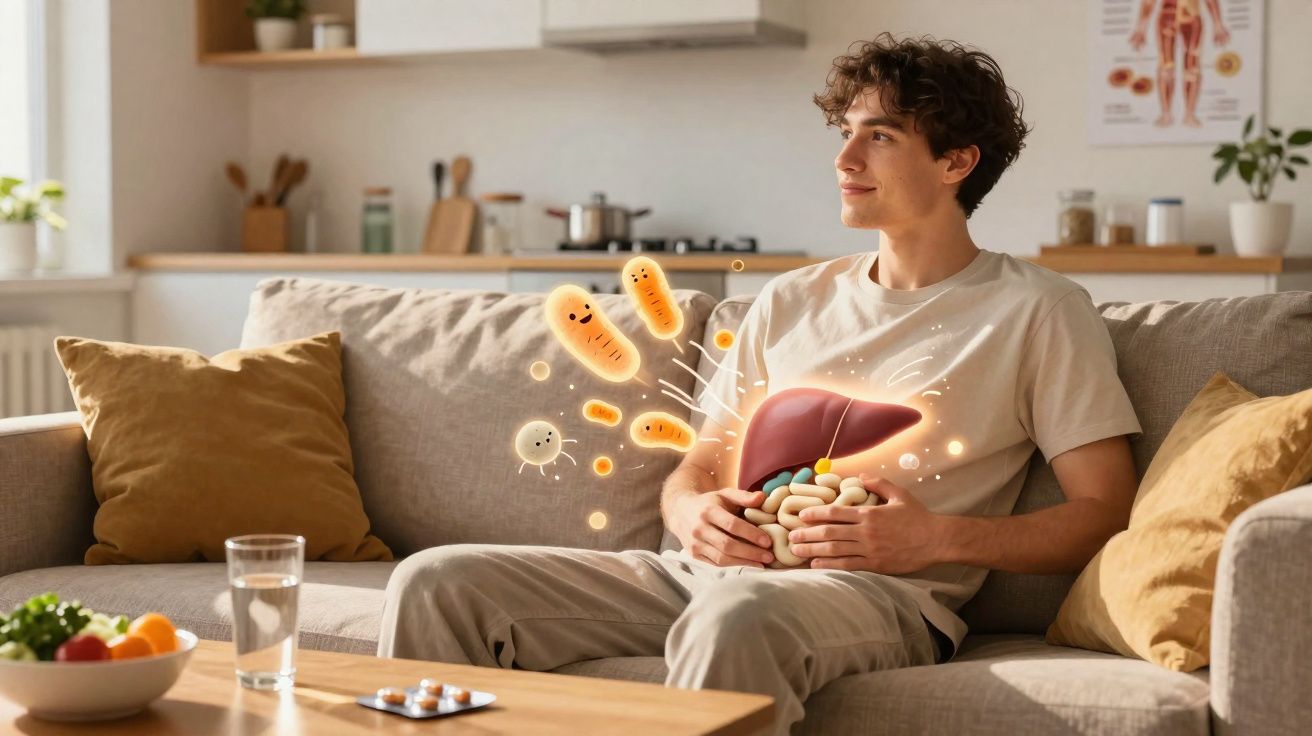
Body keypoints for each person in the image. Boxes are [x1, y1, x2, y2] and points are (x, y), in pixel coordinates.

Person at [377, 33, 1143, 734]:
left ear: (956, 162)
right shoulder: (789, 300)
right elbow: (700, 467)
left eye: (880, 136)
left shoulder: (1036, 310)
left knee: (739, 615)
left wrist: (938, 537)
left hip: (874, 596)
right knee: (438, 582)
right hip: (698, 575)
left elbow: (1103, 510)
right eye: (846, 134)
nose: (845, 161)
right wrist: (692, 513)